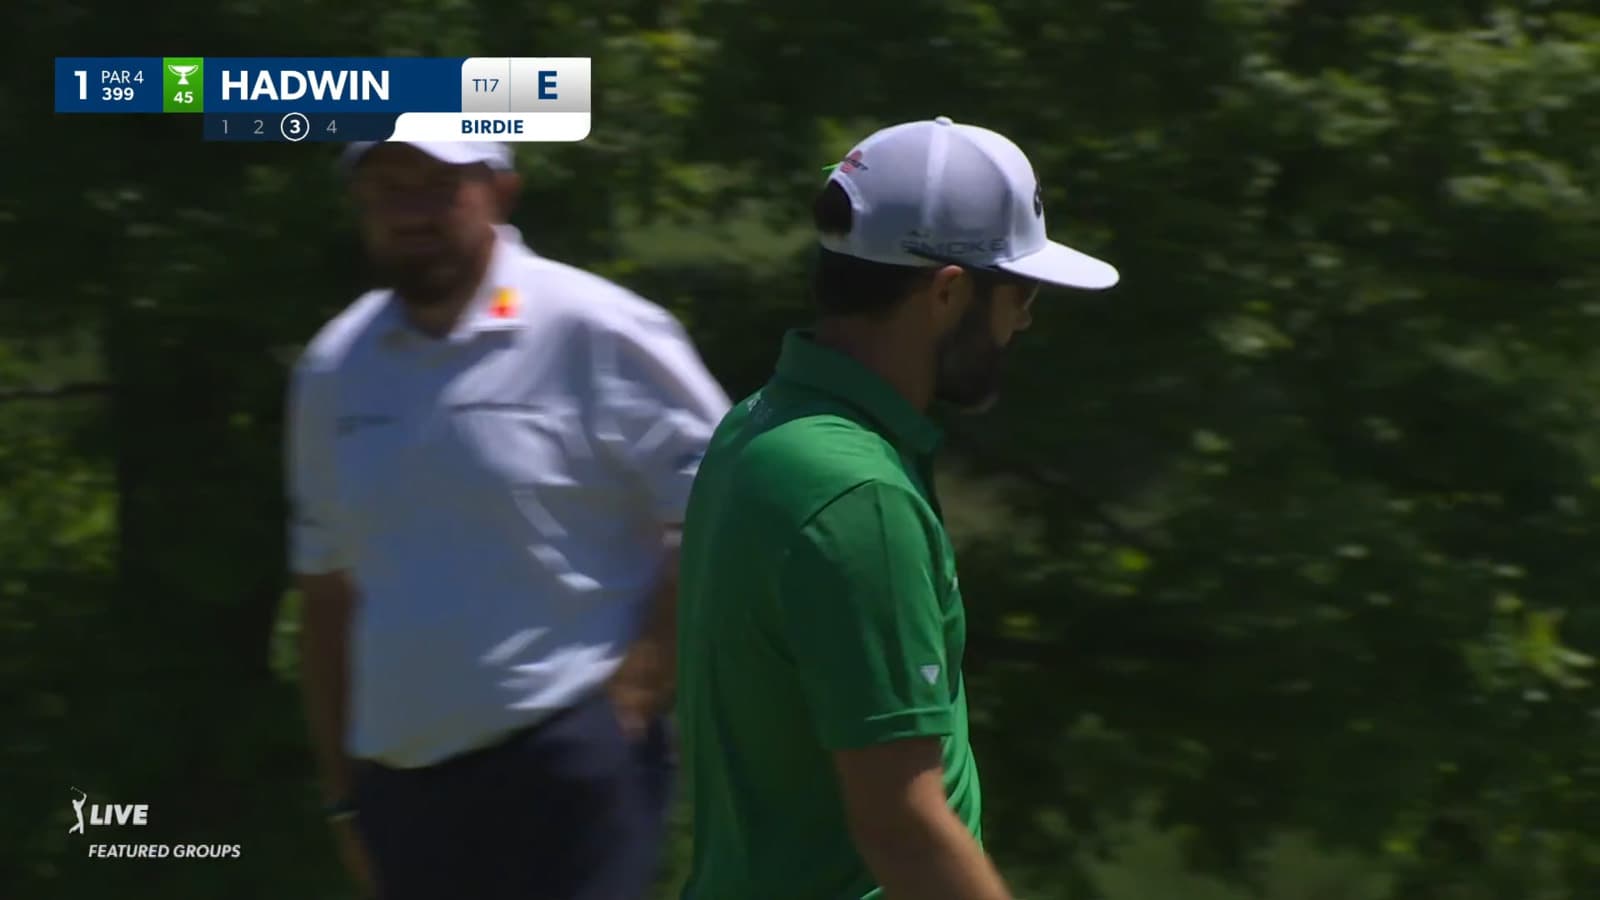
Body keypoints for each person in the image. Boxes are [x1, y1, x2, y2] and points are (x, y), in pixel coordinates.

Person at [675, 116, 1120, 900]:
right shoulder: (859, 497)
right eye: (1021, 293)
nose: (1024, 320)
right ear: (949, 292)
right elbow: (903, 828)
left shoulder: (761, 426)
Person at [287, 140, 729, 900]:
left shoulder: (597, 329)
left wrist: (640, 685)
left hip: (569, 754)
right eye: (388, 189)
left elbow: (730, 505)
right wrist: (344, 797)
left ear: (501, 191)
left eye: (436, 185)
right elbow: (327, 593)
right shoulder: (335, 367)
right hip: (401, 783)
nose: (410, 211)